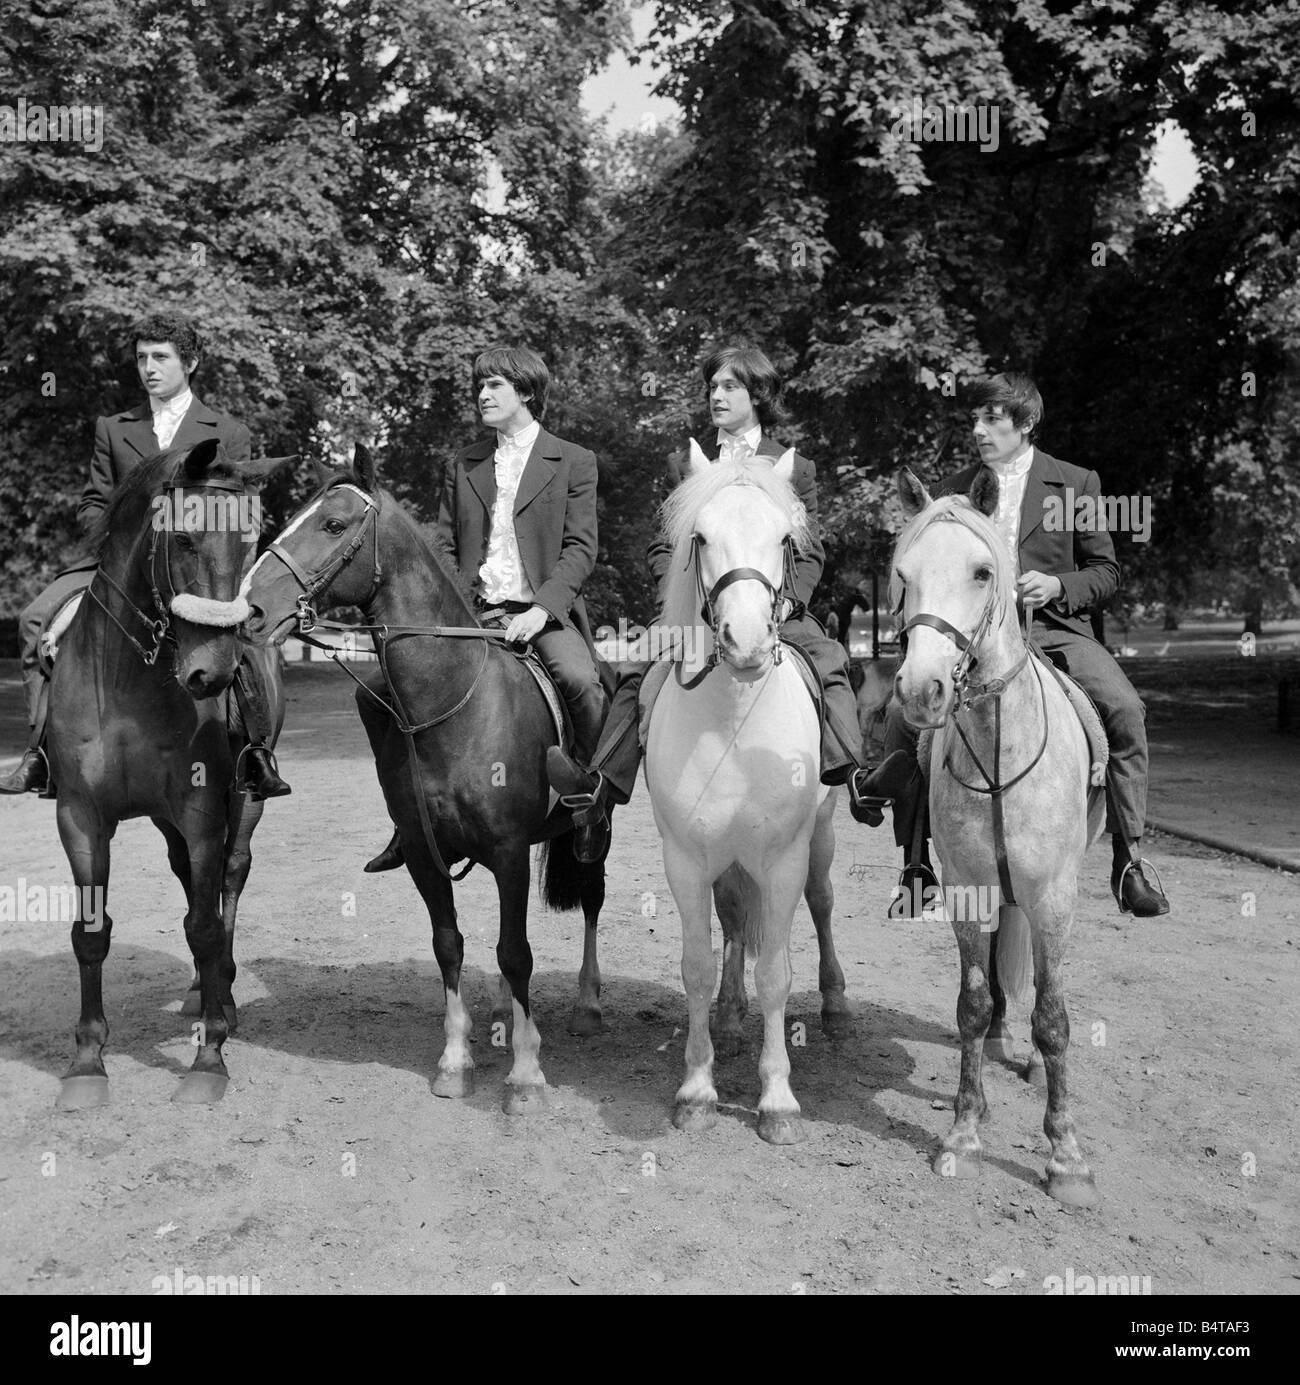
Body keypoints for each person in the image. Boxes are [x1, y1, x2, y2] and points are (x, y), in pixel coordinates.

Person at [853, 372, 1170, 919]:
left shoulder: (1075, 484)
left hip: (1054, 630)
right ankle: (916, 863)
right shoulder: (955, 488)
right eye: (975, 418)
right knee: (909, 717)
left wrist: (1059, 585)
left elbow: (1107, 570)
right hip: (971, 638)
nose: (978, 429)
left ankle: (1129, 859)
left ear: (1026, 424)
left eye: (992, 419)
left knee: (1125, 711)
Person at [545, 343, 875, 864]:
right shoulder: (685, 464)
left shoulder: (797, 468)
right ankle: (601, 786)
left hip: (774, 610)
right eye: (712, 386)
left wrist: (789, 604)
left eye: (729, 387)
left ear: (758, 395)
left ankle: (855, 773)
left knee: (830, 660)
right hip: (696, 609)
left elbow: (809, 551)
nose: (715, 395)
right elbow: (662, 543)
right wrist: (676, 600)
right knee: (637, 668)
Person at [0, 313, 289, 800]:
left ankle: (253, 751)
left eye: (161, 357)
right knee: (33, 620)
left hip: (199, 568)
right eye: (141, 358)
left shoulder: (228, 431)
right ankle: (42, 751)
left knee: (252, 636)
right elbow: (93, 502)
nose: (148, 368)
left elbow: (242, 510)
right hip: (119, 568)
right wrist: (120, 537)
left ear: (190, 363)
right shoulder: (113, 429)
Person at [364, 344, 605, 872]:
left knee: (583, 683)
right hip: (469, 615)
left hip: (542, 612)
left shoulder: (574, 460)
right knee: (380, 691)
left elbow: (581, 548)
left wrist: (542, 610)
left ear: (527, 392)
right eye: (480, 384)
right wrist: (444, 610)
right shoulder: (465, 462)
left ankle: (586, 803)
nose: (482, 393)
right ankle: (406, 821)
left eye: (494, 385)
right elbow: (444, 547)